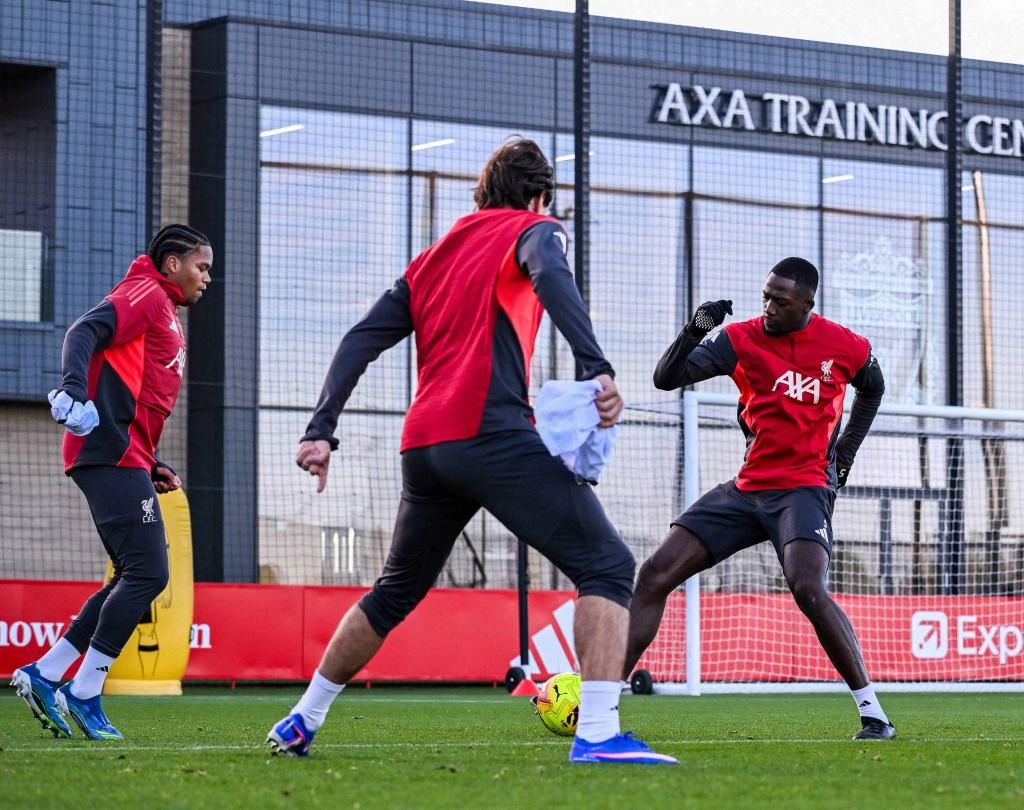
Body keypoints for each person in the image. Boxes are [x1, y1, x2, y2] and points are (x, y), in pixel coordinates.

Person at [267, 137, 675, 766]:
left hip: (425, 448)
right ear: (539, 195)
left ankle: (303, 717)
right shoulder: (537, 229)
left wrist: (321, 429)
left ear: (483, 193)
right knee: (609, 567)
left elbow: (359, 339)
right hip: (490, 437)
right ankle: (597, 734)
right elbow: (551, 274)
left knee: (393, 592)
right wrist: (597, 367)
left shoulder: (429, 258)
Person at [625, 257, 894, 740]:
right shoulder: (739, 339)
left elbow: (872, 390)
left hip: (805, 488)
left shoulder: (846, 345)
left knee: (807, 587)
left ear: (807, 303)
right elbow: (667, 378)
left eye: (780, 301)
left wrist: (846, 453)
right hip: (748, 489)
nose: (768, 307)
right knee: (654, 574)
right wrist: (695, 328)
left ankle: (874, 713)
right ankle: (600, 700)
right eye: (765, 296)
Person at [10, 225, 212, 740]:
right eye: (201, 267)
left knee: (132, 574)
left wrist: (151, 461)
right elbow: (83, 331)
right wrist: (73, 389)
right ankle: (84, 690)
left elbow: (133, 395)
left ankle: (48, 673)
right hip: (108, 452)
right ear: (172, 263)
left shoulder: (160, 305)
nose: (207, 278)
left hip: (125, 456)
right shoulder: (146, 292)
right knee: (148, 574)